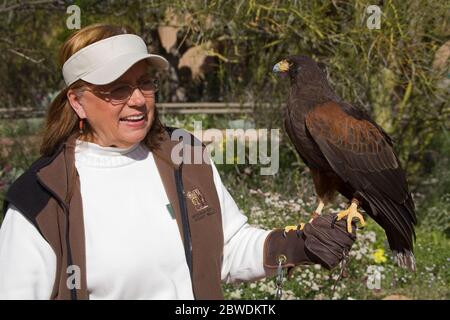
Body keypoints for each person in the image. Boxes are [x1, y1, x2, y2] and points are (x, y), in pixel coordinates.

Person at [0, 24, 356, 300]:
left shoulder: (183, 155)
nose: (138, 100)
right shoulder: (42, 198)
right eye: (117, 88)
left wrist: (295, 245)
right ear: (78, 102)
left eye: (145, 83)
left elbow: (226, 249)